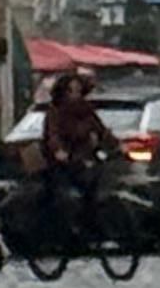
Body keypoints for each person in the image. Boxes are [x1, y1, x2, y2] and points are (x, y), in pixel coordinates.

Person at [39, 64, 119, 250]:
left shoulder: (87, 110)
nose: (75, 94)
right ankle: (71, 230)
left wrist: (117, 145)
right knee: (70, 194)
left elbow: (102, 131)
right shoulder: (56, 112)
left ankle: (96, 229)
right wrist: (59, 151)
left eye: (78, 90)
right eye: (71, 90)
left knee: (98, 186)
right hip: (64, 162)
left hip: (85, 158)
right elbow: (53, 135)